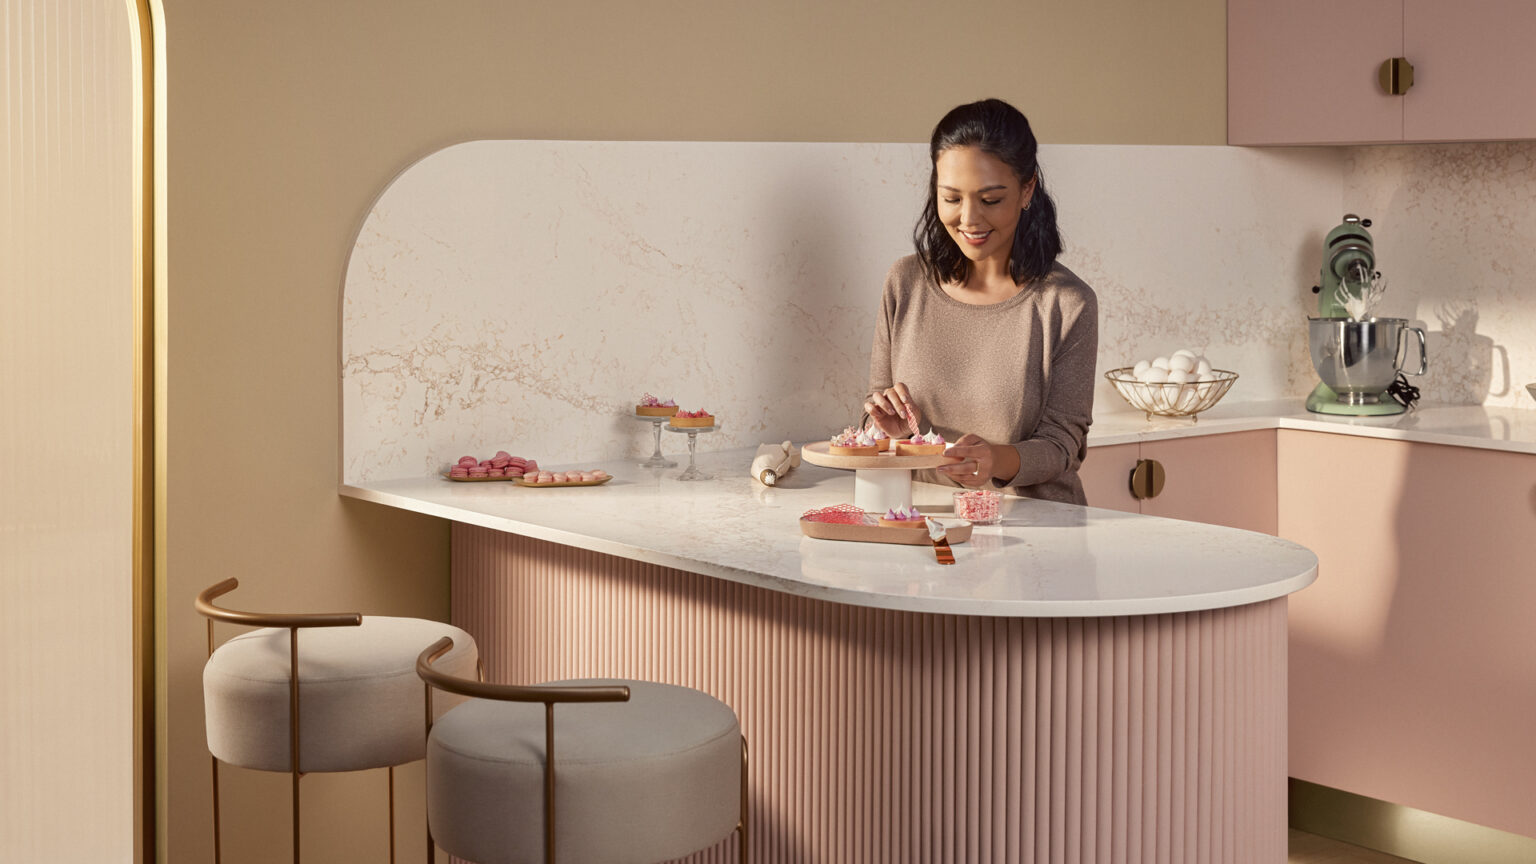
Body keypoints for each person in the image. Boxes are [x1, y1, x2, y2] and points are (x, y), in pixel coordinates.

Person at [864, 98, 1098, 504]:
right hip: (925, 521)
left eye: (990, 200)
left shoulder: (1067, 304)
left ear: (1027, 190)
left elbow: (1063, 445)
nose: (969, 219)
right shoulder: (905, 283)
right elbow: (875, 414)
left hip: (1038, 531)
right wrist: (887, 426)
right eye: (951, 199)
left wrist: (996, 461)